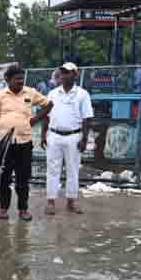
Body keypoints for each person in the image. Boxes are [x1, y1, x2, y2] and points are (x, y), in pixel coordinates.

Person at [0, 64, 49, 221]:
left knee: (23, 179)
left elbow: (49, 105)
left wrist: (35, 120)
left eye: (22, 79)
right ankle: (3, 209)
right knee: (4, 178)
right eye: (17, 79)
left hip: (24, 143)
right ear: (7, 80)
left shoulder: (31, 93)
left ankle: (23, 210)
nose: (20, 82)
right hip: (4, 145)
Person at [44, 62, 92, 216]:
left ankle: (71, 201)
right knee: (52, 170)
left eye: (68, 72)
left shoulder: (82, 94)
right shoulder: (52, 93)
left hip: (74, 136)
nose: (64, 75)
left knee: (73, 170)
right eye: (62, 72)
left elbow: (87, 118)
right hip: (54, 135)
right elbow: (46, 114)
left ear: (75, 75)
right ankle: (51, 201)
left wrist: (84, 139)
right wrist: (44, 133)